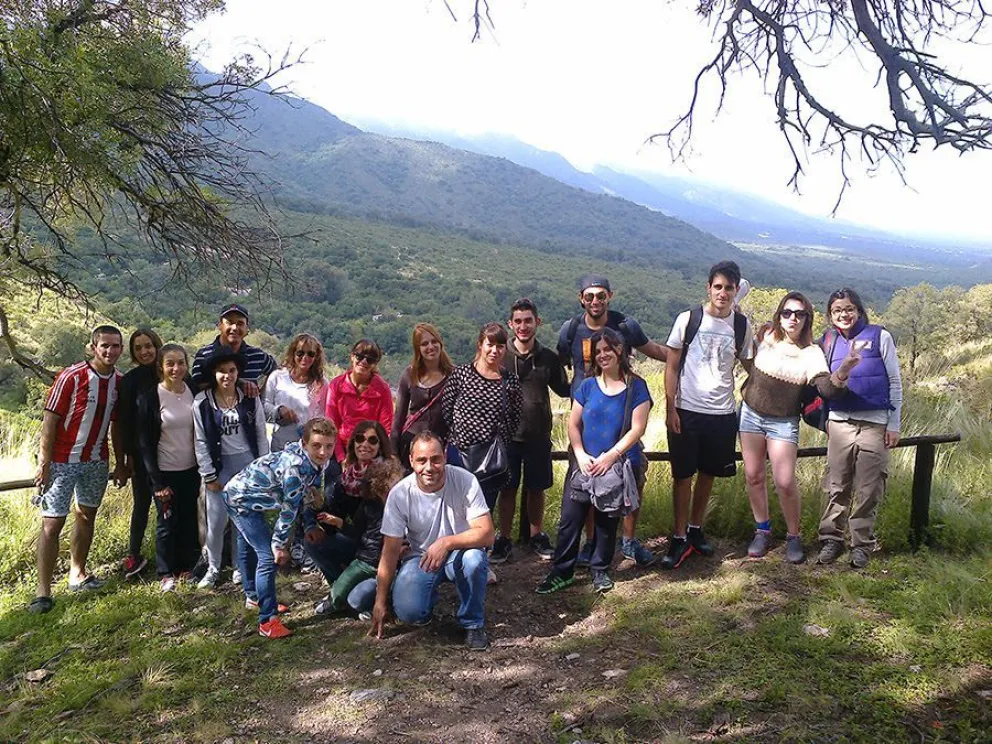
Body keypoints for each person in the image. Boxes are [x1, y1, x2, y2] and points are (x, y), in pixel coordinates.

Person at [556, 274, 669, 567]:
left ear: (610, 296)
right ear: (581, 298)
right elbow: (557, 366)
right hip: (585, 421)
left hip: (622, 414)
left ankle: (628, 543)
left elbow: (654, 351)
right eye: (590, 296)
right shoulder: (570, 330)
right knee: (588, 487)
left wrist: (686, 358)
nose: (595, 301)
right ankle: (592, 545)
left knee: (631, 481)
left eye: (601, 295)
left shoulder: (624, 326)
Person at [739, 292, 860, 564]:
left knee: (785, 482)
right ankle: (763, 530)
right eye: (787, 312)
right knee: (753, 476)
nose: (792, 318)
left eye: (799, 313)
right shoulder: (766, 335)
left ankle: (794, 536)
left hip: (783, 421)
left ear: (807, 318)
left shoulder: (811, 353)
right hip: (750, 414)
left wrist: (844, 370)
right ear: (779, 315)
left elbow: (825, 386)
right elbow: (747, 359)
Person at [536, 329, 652, 595]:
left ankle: (600, 569)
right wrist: (579, 453)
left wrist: (611, 457)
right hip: (583, 464)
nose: (603, 355)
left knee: (606, 521)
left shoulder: (637, 387)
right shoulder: (587, 386)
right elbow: (573, 424)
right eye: (598, 352)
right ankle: (561, 571)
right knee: (570, 519)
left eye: (607, 349)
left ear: (619, 350)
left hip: (613, 465)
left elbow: (637, 429)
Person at [662, 260, 754, 570]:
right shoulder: (689, 319)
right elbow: (672, 365)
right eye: (718, 287)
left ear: (736, 290)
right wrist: (670, 407)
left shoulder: (741, 326)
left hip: (722, 413)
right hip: (688, 410)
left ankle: (695, 529)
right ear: (709, 288)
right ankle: (677, 536)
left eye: (730, 288)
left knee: (708, 474)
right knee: (682, 475)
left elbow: (750, 366)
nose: (723, 293)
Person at [29, 325, 127, 614]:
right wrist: (44, 463)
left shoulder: (119, 382)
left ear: (121, 349)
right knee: (51, 524)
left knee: (86, 516)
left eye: (115, 346)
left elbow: (117, 425)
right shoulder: (72, 376)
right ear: (93, 347)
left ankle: (78, 573)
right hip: (62, 461)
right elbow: (50, 419)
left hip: (97, 460)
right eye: (104, 345)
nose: (110, 351)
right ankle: (42, 592)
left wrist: (121, 462)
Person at [368, 432, 495, 651]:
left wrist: (446, 543)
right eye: (421, 460)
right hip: (422, 557)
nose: (429, 467)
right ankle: (428, 599)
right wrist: (379, 601)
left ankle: (473, 623)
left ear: (444, 457)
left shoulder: (465, 480)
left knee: (475, 559)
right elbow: (389, 553)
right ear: (411, 461)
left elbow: (487, 533)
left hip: (460, 552)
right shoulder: (400, 494)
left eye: (435, 459)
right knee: (409, 612)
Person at [223, 417, 338, 638]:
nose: (323, 452)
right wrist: (279, 545)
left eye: (328, 446)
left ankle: (254, 597)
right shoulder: (294, 469)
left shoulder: (314, 464)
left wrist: (312, 523)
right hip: (240, 500)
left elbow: (308, 496)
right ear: (304, 444)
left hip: (248, 497)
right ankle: (267, 620)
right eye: (316, 445)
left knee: (247, 546)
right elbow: (289, 510)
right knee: (267, 557)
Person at [817, 288, 903, 569]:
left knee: (869, 486)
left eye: (849, 308)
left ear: (859, 310)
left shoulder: (880, 336)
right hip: (839, 421)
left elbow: (894, 382)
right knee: (836, 483)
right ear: (831, 315)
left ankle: (861, 545)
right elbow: (823, 384)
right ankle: (831, 538)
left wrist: (894, 424)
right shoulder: (828, 341)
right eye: (837, 310)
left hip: (875, 422)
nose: (844, 314)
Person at [442, 322, 522, 584]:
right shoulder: (462, 374)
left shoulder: (510, 380)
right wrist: (462, 438)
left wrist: (496, 445)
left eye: (501, 345)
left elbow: (514, 417)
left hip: (491, 460)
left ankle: (480, 562)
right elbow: (447, 410)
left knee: (484, 510)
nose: (495, 350)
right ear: (480, 344)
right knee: (455, 509)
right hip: (459, 454)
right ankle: (451, 560)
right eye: (491, 344)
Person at [494, 299, 570, 563]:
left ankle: (536, 536)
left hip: (538, 435)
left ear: (537, 322)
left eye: (528, 320)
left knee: (537, 488)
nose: (523, 326)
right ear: (510, 324)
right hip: (507, 436)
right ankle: (503, 539)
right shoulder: (501, 356)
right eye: (518, 321)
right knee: (508, 488)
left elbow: (566, 390)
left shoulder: (547, 357)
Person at [192, 350, 269, 588]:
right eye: (222, 371)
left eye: (232, 370)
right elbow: (201, 440)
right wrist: (209, 474)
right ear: (214, 373)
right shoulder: (202, 402)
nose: (227, 376)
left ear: (239, 372)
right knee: (216, 521)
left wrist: (263, 467)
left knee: (243, 518)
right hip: (220, 465)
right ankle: (213, 568)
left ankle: (240, 566)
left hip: (247, 463)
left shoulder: (248, 397)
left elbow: (259, 430)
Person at [304, 420, 396, 613]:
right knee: (313, 542)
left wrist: (340, 523)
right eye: (360, 438)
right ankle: (339, 589)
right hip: (356, 541)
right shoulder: (346, 478)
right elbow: (333, 521)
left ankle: (363, 592)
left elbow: (375, 533)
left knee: (356, 601)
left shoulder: (386, 478)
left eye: (373, 440)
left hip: (378, 552)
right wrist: (321, 507)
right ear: (352, 443)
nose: (365, 444)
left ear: (381, 446)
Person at [136, 344, 201, 590]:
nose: (176, 368)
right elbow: (144, 443)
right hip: (165, 471)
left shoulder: (191, 389)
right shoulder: (151, 397)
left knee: (187, 519)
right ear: (161, 367)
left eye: (181, 362)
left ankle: (185, 567)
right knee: (166, 523)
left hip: (191, 469)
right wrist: (157, 482)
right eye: (170, 363)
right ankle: (165, 572)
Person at [313, 458, 405, 617]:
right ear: (378, 486)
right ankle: (332, 603)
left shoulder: (405, 504)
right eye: (393, 483)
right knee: (344, 582)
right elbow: (355, 532)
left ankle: (381, 604)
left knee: (364, 595)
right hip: (366, 560)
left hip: (391, 564)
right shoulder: (369, 505)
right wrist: (338, 522)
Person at [116, 327, 163, 579]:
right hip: (141, 454)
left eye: (148, 345)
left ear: (156, 346)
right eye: (138, 348)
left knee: (169, 505)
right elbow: (124, 422)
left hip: (171, 451)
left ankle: (170, 553)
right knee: (142, 504)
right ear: (133, 353)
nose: (145, 351)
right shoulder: (130, 381)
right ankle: (134, 554)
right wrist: (125, 458)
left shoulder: (168, 372)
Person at [315, 339, 393, 466]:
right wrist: (341, 458)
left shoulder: (382, 390)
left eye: (370, 359)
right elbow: (332, 425)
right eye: (360, 356)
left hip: (370, 451)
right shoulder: (336, 385)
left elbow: (385, 428)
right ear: (352, 356)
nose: (364, 362)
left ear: (375, 363)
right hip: (340, 448)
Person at [391, 323, 453, 466]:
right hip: (410, 445)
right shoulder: (409, 375)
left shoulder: (453, 375)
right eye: (424, 344)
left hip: (441, 448)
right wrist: (393, 453)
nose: (430, 347)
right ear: (418, 349)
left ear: (440, 343)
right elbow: (398, 418)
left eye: (434, 342)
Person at [190, 303, 277, 397]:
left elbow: (276, 373)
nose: (235, 328)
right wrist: (239, 383)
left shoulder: (258, 355)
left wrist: (263, 396)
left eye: (240, 323)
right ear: (220, 326)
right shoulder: (204, 355)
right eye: (229, 322)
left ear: (247, 328)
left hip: (250, 410)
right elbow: (198, 386)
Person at [263, 333, 326, 452]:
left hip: (308, 449)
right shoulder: (277, 377)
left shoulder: (321, 384)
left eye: (310, 354)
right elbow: (264, 406)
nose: (305, 357)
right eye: (300, 353)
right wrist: (279, 411)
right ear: (293, 353)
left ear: (316, 357)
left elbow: (323, 416)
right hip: (280, 447)